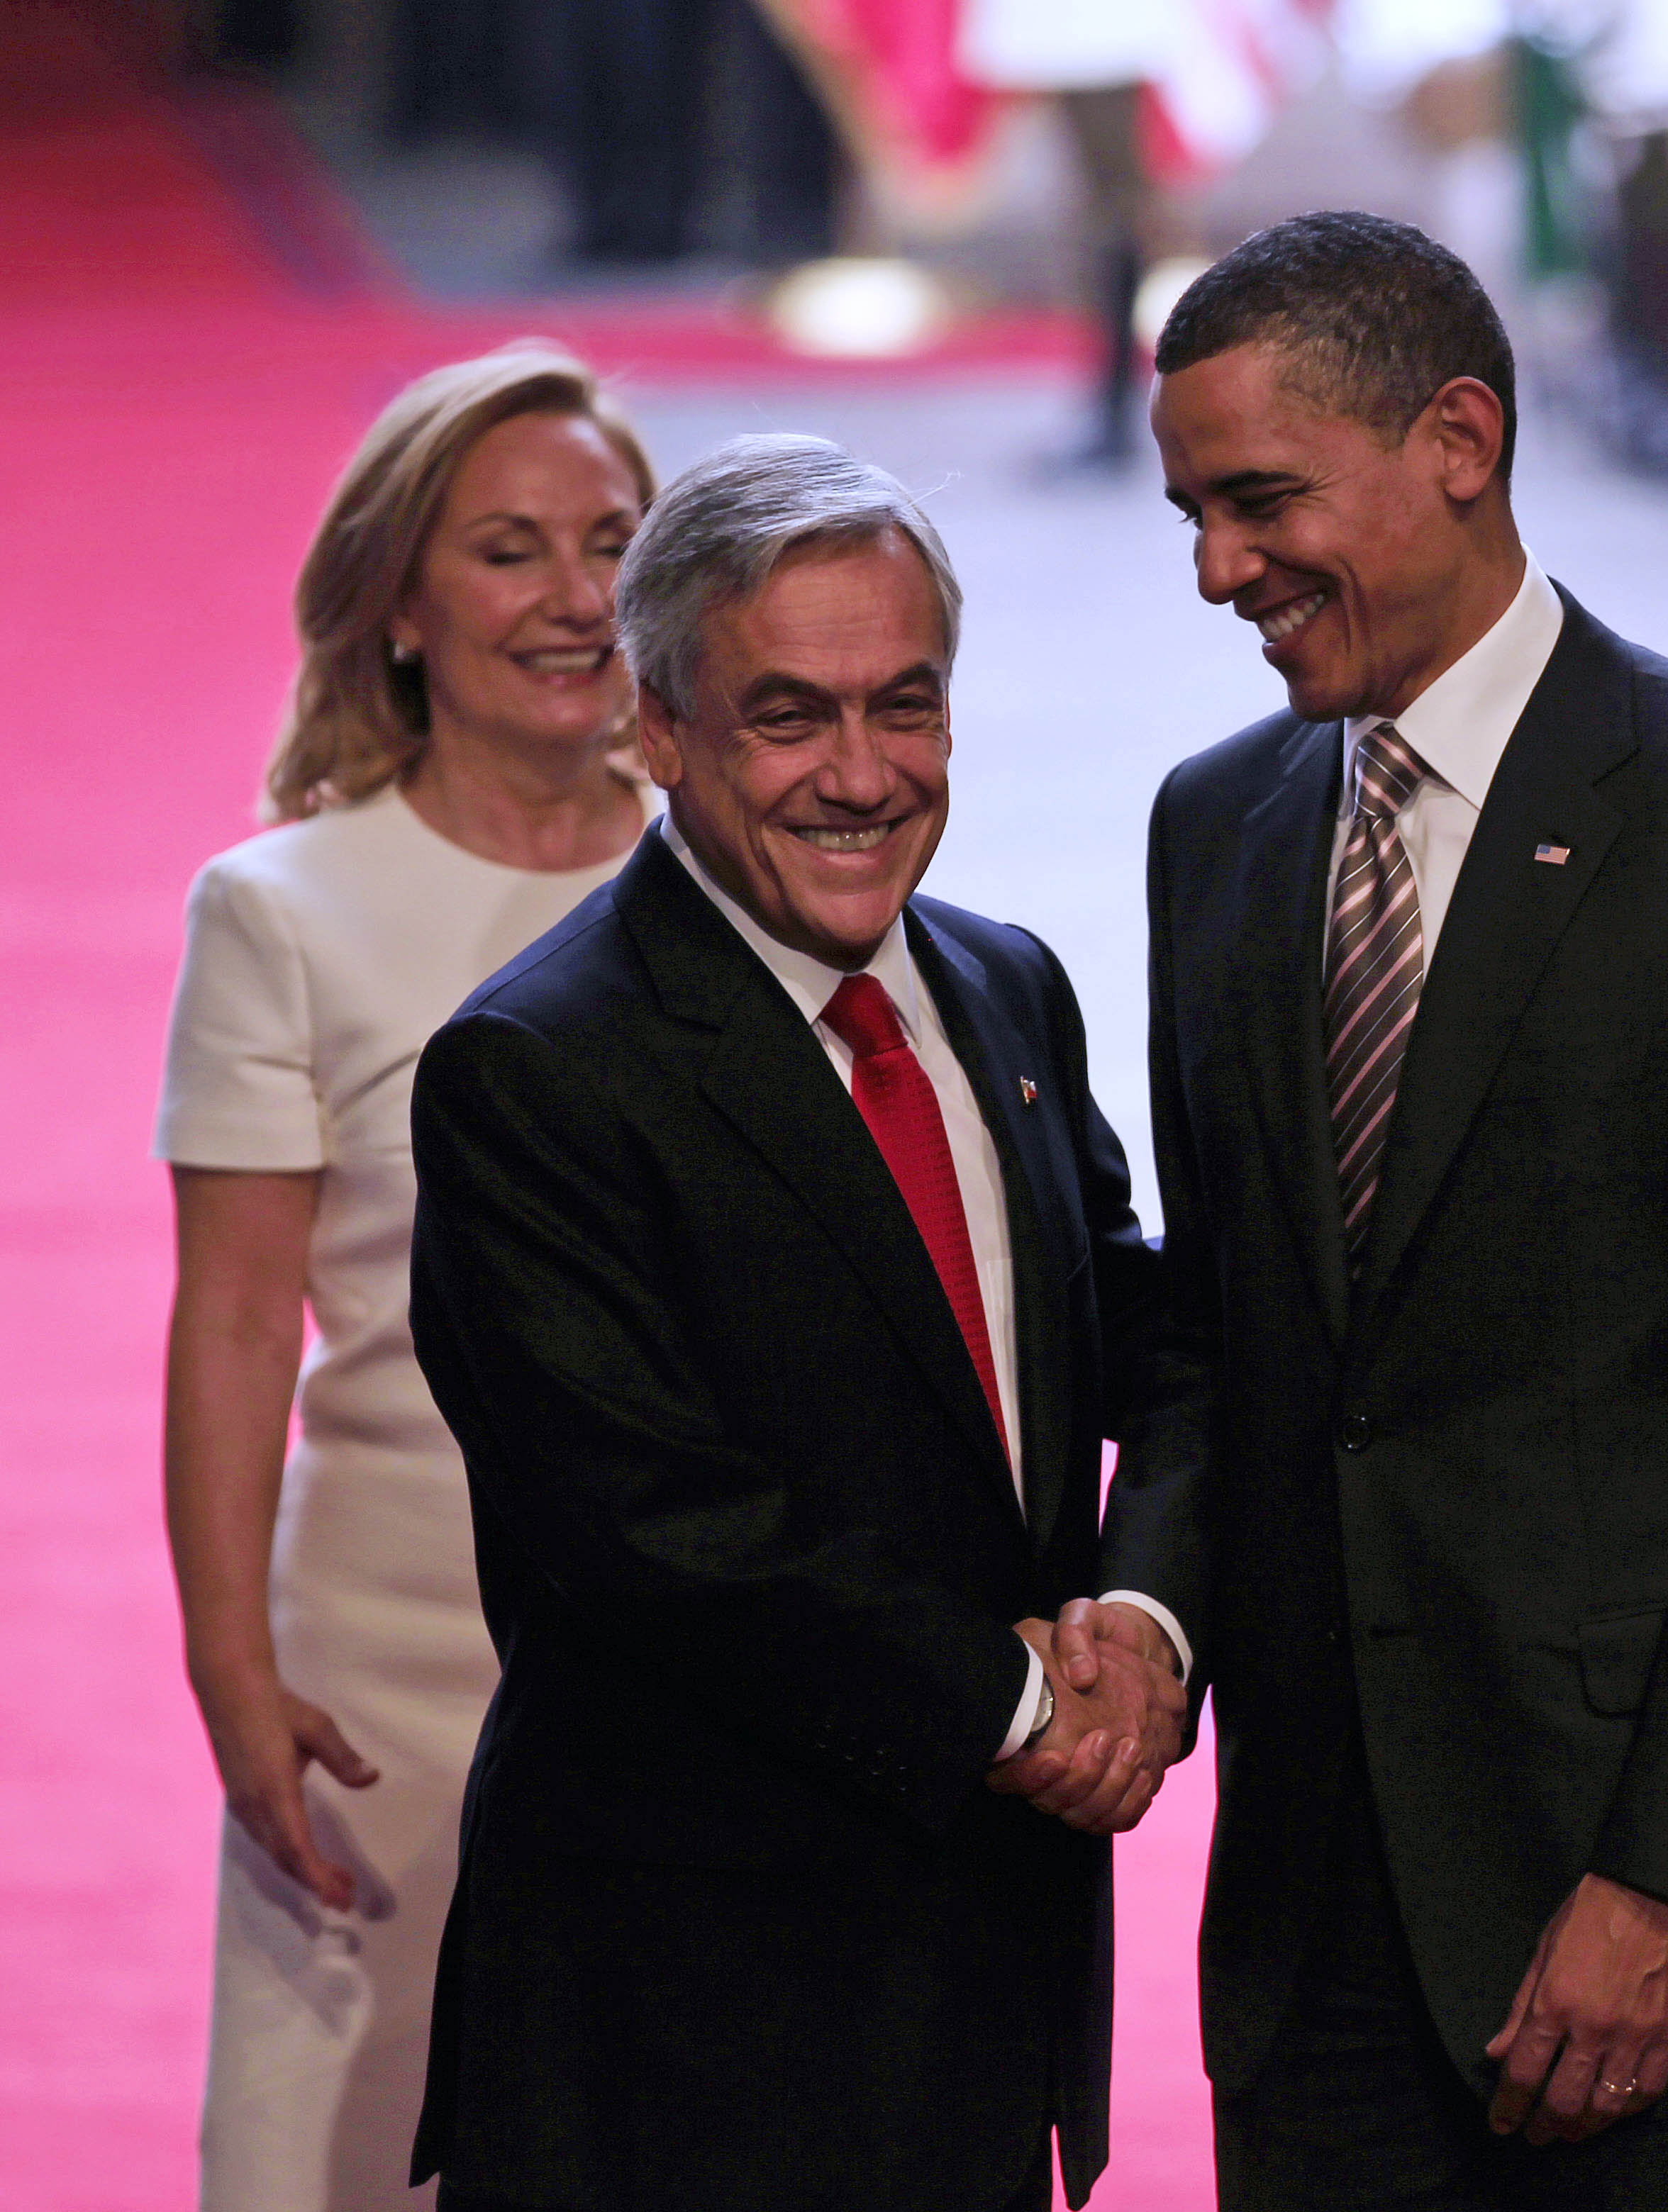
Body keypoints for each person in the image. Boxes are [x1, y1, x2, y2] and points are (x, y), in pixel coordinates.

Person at [1064, 210, 1668, 2211]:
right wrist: (1149, 1612)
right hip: (1323, 1941)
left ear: (1459, 438)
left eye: (1261, 501)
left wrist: (1663, 1880)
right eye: (1193, 513)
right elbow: (1228, 1340)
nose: (1216, 572)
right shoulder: (1222, 825)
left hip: (1660, 1936)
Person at [404, 433, 1180, 2212]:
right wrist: (1023, 1711)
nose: (861, 776)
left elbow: (1144, 1336)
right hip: (684, 2035)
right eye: (788, 717)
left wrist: (1144, 1619)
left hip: (985, 1992)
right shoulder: (536, 1074)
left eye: (904, 706)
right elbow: (657, 1534)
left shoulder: (1004, 986)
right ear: (657, 734)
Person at [157, 343, 658, 2211]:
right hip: (380, 1677)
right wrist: (234, 1669)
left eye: (614, 540)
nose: (577, 597)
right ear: (397, 600)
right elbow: (233, 1315)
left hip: (680, 1672)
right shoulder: (281, 909)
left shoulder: (748, 888)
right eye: (511, 548)